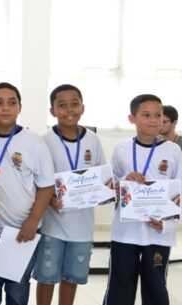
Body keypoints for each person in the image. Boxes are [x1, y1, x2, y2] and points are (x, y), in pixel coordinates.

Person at [0, 82, 55, 305]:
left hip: (22, 231)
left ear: (20, 107)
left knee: (17, 291)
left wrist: (33, 220)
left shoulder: (34, 142)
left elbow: (46, 186)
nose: (5, 108)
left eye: (12, 103)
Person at [103, 94, 182, 305]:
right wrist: (125, 181)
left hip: (157, 233)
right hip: (126, 232)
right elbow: (110, 186)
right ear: (132, 118)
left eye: (158, 115)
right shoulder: (121, 149)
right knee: (120, 285)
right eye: (146, 115)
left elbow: (181, 190)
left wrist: (168, 222)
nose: (153, 120)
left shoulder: (173, 150)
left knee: (155, 286)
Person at [33, 84, 106, 305]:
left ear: (83, 107)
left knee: (71, 278)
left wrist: (103, 190)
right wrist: (49, 199)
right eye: (62, 105)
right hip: (52, 225)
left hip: (82, 227)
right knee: (46, 278)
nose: (69, 110)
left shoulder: (93, 140)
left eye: (74, 104)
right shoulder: (44, 141)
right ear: (52, 111)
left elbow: (102, 175)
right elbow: (37, 179)